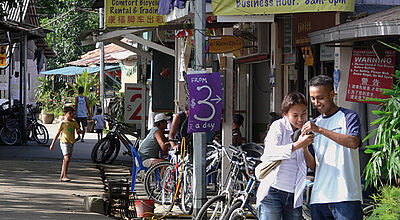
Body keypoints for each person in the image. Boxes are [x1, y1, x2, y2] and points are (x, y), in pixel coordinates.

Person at [301, 75, 363, 220]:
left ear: (331, 94)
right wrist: (303, 148)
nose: (316, 102)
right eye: (312, 98)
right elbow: (314, 166)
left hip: (346, 196)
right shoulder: (314, 124)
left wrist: (320, 130)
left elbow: (354, 142)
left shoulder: (348, 116)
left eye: (320, 97)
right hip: (319, 197)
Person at [257, 92, 315, 220]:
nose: (300, 119)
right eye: (295, 115)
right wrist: (298, 145)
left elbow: (313, 166)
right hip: (273, 191)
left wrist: (304, 148)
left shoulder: (306, 130)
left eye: (303, 114)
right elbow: (270, 152)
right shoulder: (278, 126)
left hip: (295, 194)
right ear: (285, 114)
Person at [49, 106, 81, 182]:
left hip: (71, 142)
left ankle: (62, 175)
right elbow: (57, 134)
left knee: (66, 159)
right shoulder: (63, 123)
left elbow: (78, 131)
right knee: (67, 158)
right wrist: (52, 144)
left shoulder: (74, 122)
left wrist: (80, 132)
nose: (72, 115)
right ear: (65, 114)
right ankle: (65, 176)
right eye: (70, 113)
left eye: (73, 114)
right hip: (64, 142)